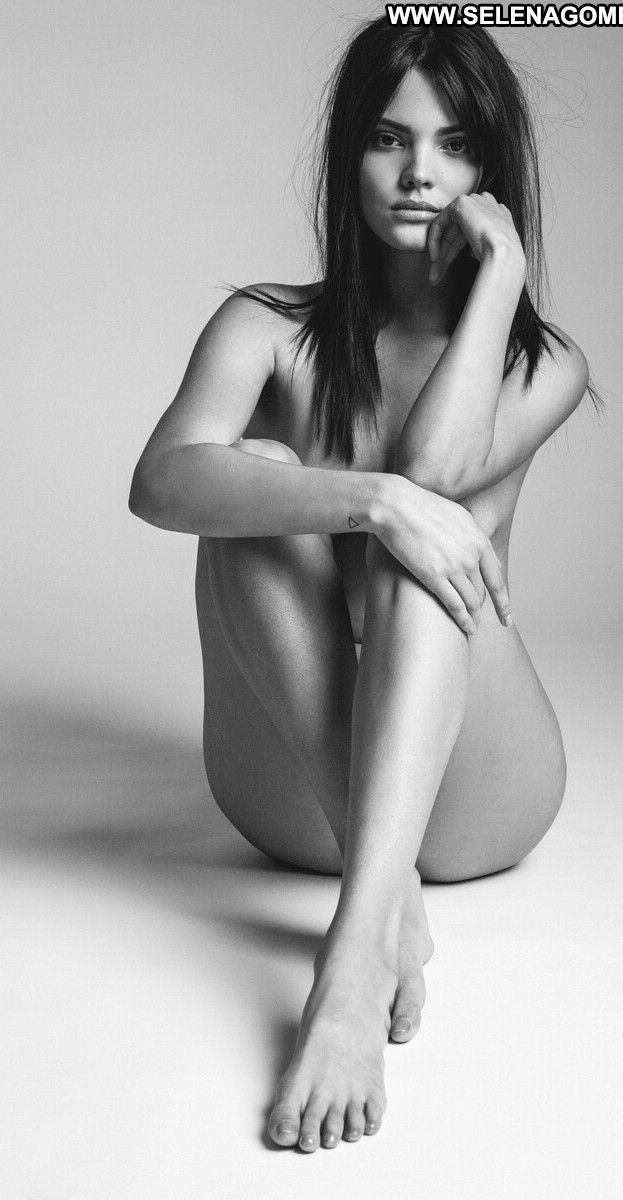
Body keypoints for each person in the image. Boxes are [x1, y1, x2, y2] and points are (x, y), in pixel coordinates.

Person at [129, 16, 593, 1154]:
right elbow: (160, 483)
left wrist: (500, 282)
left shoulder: (541, 361)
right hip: (304, 793)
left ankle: (350, 960)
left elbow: (433, 471)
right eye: (390, 139)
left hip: (479, 794)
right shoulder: (267, 327)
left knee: (422, 531)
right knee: (254, 475)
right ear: (349, 154)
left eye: (454, 145)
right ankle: (386, 905)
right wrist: (365, 498)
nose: (421, 173)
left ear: (492, 169)